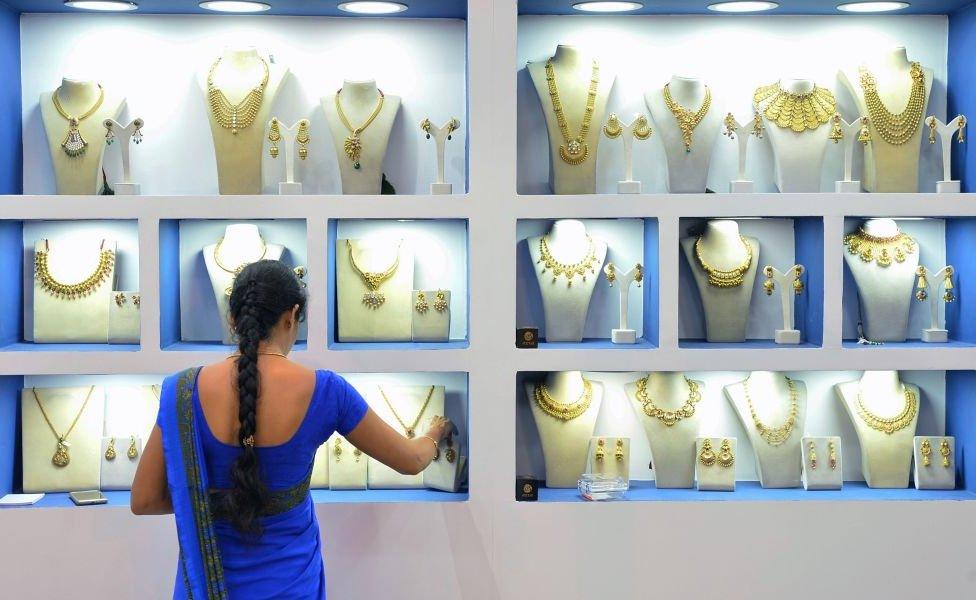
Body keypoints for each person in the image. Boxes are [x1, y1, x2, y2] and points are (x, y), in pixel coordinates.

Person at [130, 259, 451, 599]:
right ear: (292, 315)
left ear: (232, 319)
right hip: (291, 584)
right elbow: (410, 461)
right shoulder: (327, 392)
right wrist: (433, 436)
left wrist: (217, 500)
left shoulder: (182, 391)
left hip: (210, 587)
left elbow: (145, 499)